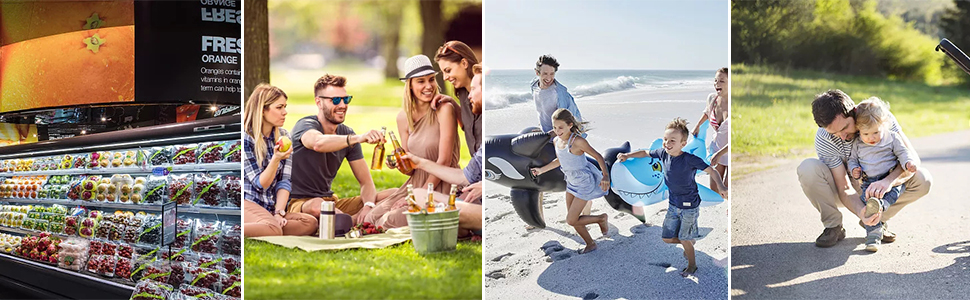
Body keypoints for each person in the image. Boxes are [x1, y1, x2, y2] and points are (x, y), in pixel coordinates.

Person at [797, 89, 931, 248]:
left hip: (881, 186)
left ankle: (876, 221)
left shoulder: (876, 116)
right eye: (835, 132)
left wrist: (888, 182)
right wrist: (861, 210)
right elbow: (844, 186)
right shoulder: (824, 138)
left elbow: (913, 159)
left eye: (845, 127)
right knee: (807, 168)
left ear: (854, 112)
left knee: (923, 179)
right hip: (845, 188)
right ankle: (833, 226)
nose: (842, 136)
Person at [617, 118, 729, 277]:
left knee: (684, 239)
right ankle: (689, 242)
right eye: (665, 139)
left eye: (672, 141)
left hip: (690, 206)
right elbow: (645, 152)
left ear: (683, 144)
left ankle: (692, 265)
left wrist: (722, 187)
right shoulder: (663, 154)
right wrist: (627, 155)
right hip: (673, 204)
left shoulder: (689, 159)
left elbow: (712, 171)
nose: (667, 143)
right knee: (667, 238)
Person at [364, 55, 462, 229]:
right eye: (420, 81)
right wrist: (400, 164)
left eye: (431, 79)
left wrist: (420, 194)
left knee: (389, 221)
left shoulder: (444, 109)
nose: (428, 86)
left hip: (441, 182)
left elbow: (444, 161)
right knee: (370, 219)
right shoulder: (403, 118)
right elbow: (411, 170)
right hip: (414, 183)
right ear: (410, 85)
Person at [287, 74, 395, 225]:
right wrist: (358, 138)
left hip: (331, 202)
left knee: (394, 194)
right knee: (318, 205)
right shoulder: (305, 125)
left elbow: (366, 182)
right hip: (299, 203)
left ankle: (350, 220)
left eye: (346, 99)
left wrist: (368, 206)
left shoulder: (347, 134)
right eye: (336, 100)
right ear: (319, 102)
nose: (343, 105)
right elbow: (318, 143)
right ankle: (353, 221)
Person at [404, 63, 486, 234]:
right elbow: (463, 176)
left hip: (476, 202)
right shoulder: (486, 144)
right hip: (467, 193)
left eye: (473, 89)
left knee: (412, 205)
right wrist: (419, 162)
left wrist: (485, 186)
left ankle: (468, 224)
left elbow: (447, 161)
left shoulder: (444, 110)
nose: (468, 95)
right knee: (415, 196)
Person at [530, 109, 611, 254]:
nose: (557, 130)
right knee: (574, 218)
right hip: (571, 182)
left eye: (560, 127)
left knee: (571, 220)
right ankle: (595, 233)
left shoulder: (578, 141)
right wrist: (541, 170)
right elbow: (560, 160)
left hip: (584, 182)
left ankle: (599, 224)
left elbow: (598, 156)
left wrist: (605, 175)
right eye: (554, 127)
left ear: (570, 125)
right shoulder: (556, 140)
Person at [243, 84, 318, 237]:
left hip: (269, 207)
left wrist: (279, 212)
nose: (285, 112)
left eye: (285, 106)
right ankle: (234, 231)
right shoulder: (245, 138)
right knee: (273, 228)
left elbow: (284, 181)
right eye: (279, 107)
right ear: (263, 110)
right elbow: (260, 184)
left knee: (310, 223)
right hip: (248, 203)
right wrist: (276, 158)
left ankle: (267, 226)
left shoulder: (284, 136)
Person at [847, 97, 917, 252]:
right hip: (868, 182)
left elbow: (903, 153)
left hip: (890, 178)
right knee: (868, 207)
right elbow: (852, 160)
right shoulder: (858, 143)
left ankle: (881, 206)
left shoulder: (892, 138)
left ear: (884, 125)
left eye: (875, 132)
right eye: (866, 133)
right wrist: (854, 170)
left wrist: (908, 163)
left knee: (891, 195)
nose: (871, 138)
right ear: (858, 129)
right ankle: (872, 239)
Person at [434, 40, 482, 152]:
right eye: (443, 73)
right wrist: (453, 104)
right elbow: (469, 129)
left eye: (448, 70)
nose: (445, 77)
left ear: (464, 63)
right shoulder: (463, 93)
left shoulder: (484, 92)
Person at [692, 67, 730, 194]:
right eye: (715, 81)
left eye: (722, 81)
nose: (717, 84)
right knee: (715, 191)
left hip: (729, 151)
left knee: (727, 191)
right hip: (716, 148)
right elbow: (707, 112)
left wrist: (719, 154)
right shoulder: (712, 99)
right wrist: (697, 126)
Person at [531, 54, 582, 133]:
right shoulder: (534, 85)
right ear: (537, 73)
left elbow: (566, 124)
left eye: (552, 74)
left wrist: (547, 136)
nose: (548, 78)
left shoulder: (559, 94)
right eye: (545, 74)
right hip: (547, 131)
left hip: (566, 134)